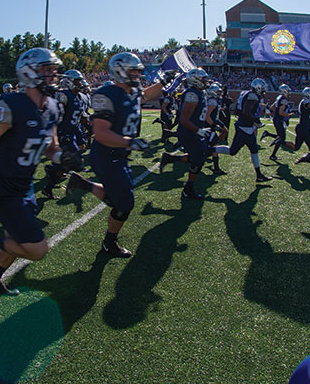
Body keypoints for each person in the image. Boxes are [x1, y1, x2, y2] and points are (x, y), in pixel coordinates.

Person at [0, 48, 62, 293]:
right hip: (5, 189)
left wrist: (64, 158)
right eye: (47, 69)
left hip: (26, 186)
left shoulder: (52, 107)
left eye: (54, 69)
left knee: (16, 240)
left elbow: (51, 148)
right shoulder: (11, 105)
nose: (53, 74)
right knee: (37, 249)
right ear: (29, 73)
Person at [65, 52, 171, 257]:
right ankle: (108, 244)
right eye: (133, 71)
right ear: (120, 71)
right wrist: (132, 142)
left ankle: (83, 184)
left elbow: (147, 95)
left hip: (118, 155)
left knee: (120, 200)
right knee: (124, 204)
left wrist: (164, 81)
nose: (137, 75)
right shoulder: (107, 94)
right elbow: (101, 133)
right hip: (106, 155)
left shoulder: (132, 91)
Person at [159, 68, 223, 198]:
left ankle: (170, 158)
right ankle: (187, 189)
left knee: (200, 156)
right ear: (196, 80)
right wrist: (199, 131)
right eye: (203, 78)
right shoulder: (192, 94)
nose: (206, 81)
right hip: (189, 132)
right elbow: (184, 119)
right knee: (199, 159)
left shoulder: (199, 92)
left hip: (192, 131)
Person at [41, 69, 86, 199]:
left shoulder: (78, 96)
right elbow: (56, 116)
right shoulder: (63, 95)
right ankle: (53, 173)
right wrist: (58, 133)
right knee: (75, 161)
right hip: (64, 132)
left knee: (68, 164)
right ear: (69, 82)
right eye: (77, 81)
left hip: (71, 132)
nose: (80, 83)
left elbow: (80, 115)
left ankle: (49, 184)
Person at [220, 78, 273, 183]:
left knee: (254, 150)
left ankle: (259, 175)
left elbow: (238, 111)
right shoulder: (252, 96)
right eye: (262, 88)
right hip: (244, 128)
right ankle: (210, 150)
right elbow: (246, 111)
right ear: (258, 88)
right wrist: (255, 120)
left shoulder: (246, 94)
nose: (263, 91)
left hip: (247, 127)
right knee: (232, 151)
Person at [262, 84, 296, 161]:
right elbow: (281, 112)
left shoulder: (279, 98)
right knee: (281, 138)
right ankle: (273, 153)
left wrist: (277, 114)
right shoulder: (283, 99)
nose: (289, 92)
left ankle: (273, 153)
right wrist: (288, 115)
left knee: (281, 137)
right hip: (280, 120)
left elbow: (272, 107)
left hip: (277, 119)